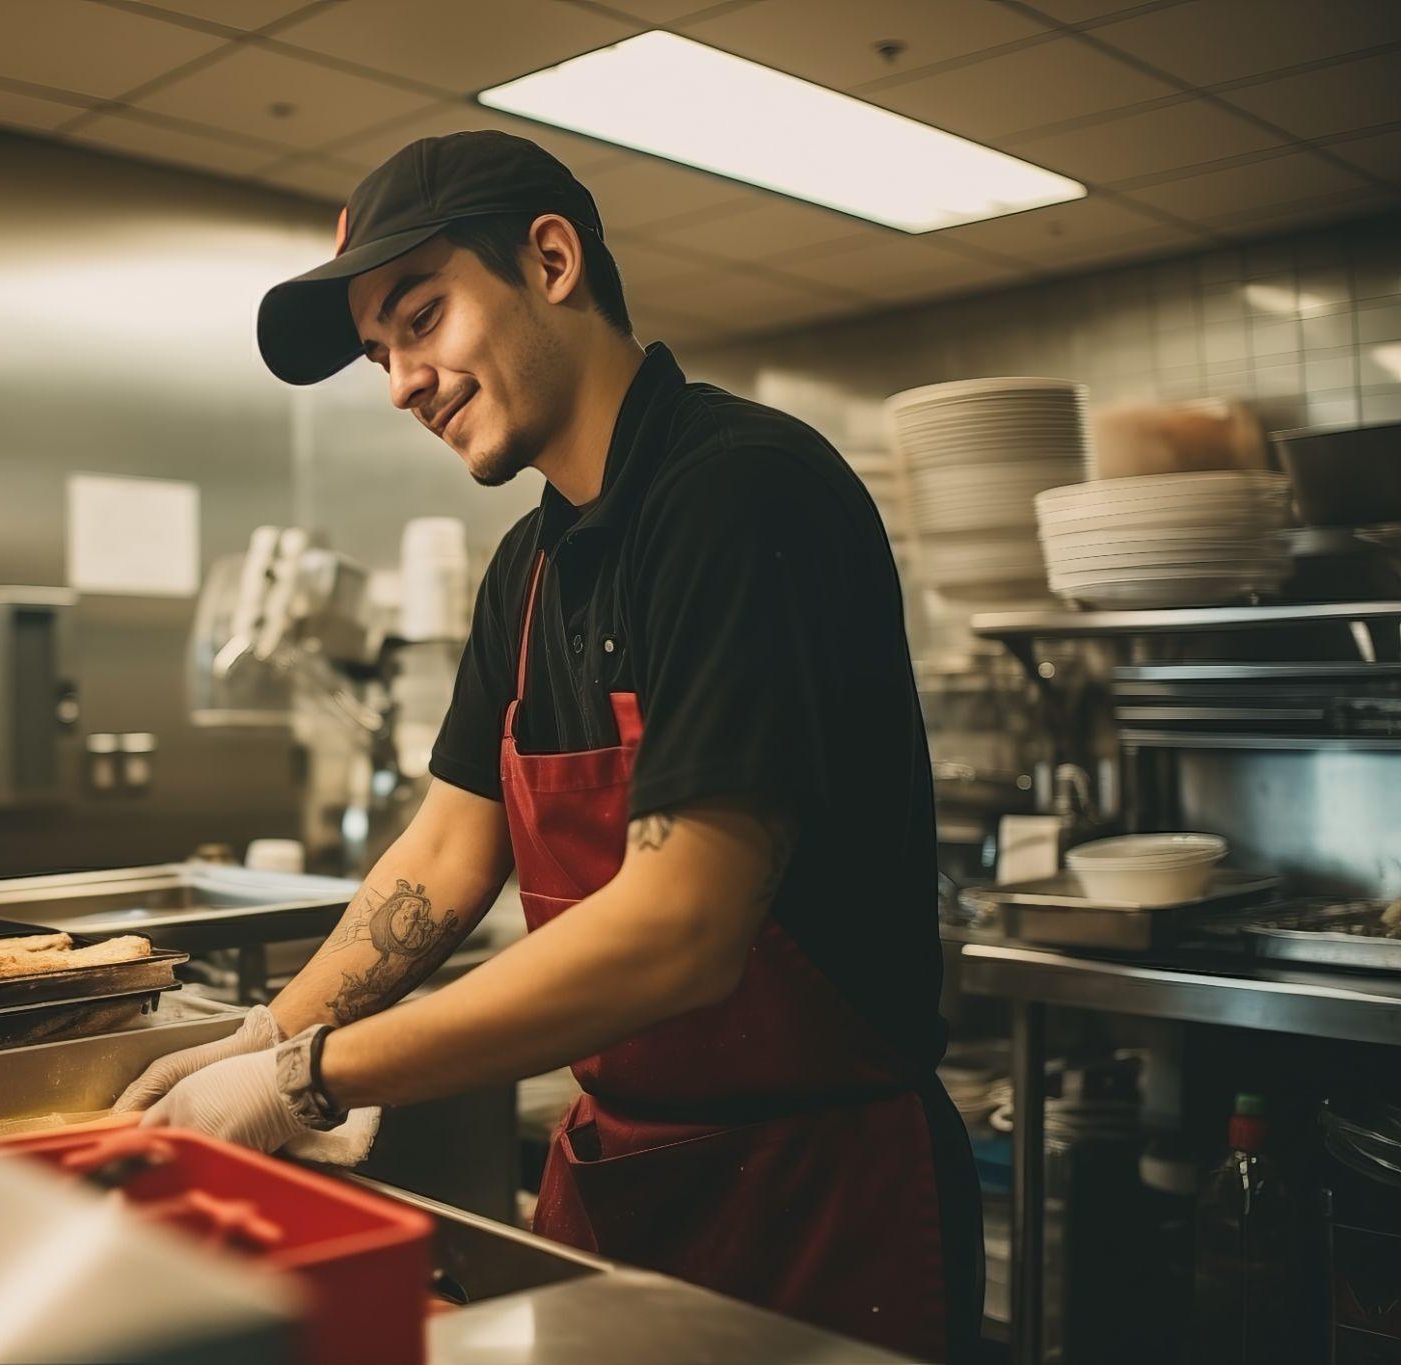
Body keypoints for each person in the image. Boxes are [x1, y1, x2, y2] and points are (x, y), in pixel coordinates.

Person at [115, 131, 980, 1361]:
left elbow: (680, 929)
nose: (402, 380)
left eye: (421, 318)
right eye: (378, 354)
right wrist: (260, 1038)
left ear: (553, 260)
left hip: (816, 1204)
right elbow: (446, 852)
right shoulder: (527, 570)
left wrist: (309, 1078)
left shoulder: (741, 495)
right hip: (621, 1186)